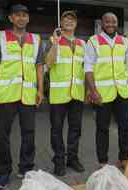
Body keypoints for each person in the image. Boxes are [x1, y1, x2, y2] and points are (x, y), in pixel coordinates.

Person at [0, 4, 44, 189]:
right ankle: (2, 172)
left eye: (24, 15)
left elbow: (39, 66)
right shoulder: (0, 37)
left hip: (28, 94)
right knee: (2, 135)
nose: (21, 18)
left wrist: (40, 90)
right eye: (17, 15)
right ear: (11, 18)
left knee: (29, 133)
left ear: (28, 19)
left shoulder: (36, 40)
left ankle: (26, 168)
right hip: (5, 94)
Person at [84, 12, 128, 170]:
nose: (111, 24)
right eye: (107, 21)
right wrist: (93, 91)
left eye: (114, 22)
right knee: (102, 128)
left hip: (122, 91)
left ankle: (124, 158)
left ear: (117, 23)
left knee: (125, 126)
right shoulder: (93, 41)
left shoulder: (124, 41)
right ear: (102, 23)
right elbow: (88, 68)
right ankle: (103, 161)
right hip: (102, 93)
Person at [45, 11, 86, 176]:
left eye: (72, 19)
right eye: (65, 19)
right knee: (56, 129)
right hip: (58, 94)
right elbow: (48, 63)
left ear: (76, 23)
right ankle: (59, 160)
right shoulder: (52, 40)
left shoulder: (82, 43)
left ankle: (73, 159)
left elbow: (86, 68)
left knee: (75, 129)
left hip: (77, 93)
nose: (69, 21)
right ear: (60, 22)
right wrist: (55, 42)